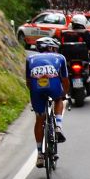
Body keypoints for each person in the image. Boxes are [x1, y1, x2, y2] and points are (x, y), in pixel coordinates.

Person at [26, 37, 70, 168]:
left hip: (36, 88)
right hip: (53, 85)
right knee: (58, 99)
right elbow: (65, 79)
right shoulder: (60, 57)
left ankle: (40, 154)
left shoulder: (30, 59)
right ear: (52, 48)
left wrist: (35, 94)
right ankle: (58, 127)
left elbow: (28, 82)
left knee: (39, 119)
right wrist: (64, 93)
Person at [59, 13, 90, 85]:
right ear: (83, 22)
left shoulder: (65, 33)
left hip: (67, 59)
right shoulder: (85, 33)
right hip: (83, 58)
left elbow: (60, 47)